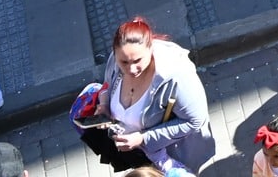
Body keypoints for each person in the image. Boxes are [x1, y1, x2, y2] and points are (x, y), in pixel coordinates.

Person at [81, 17, 214, 172]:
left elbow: (194, 121)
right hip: (137, 153)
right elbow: (107, 84)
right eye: (124, 62)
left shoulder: (176, 77)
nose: (131, 69)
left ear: (151, 49)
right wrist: (104, 105)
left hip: (169, 155)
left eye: (137, 60)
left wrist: (143, 139)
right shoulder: (114, 60)